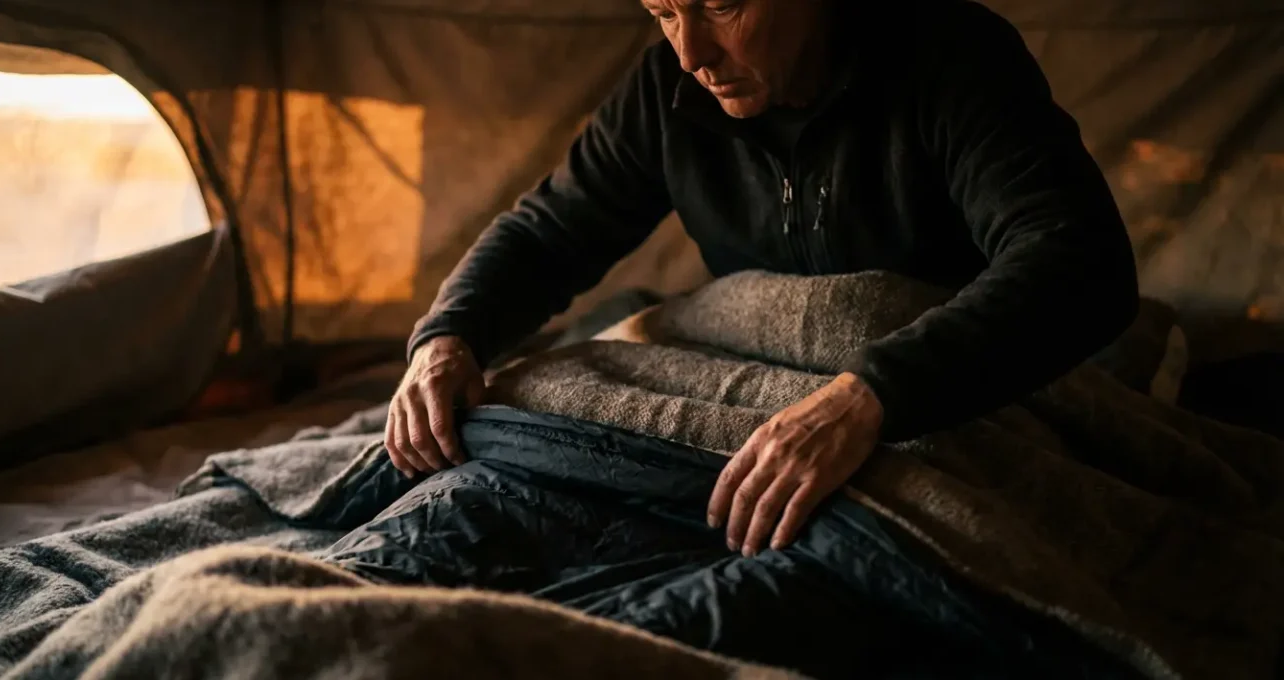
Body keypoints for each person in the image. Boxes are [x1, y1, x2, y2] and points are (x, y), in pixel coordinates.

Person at [386, 0, 1139, 558]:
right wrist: (449, 335)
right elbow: (552, 230)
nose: (691, 53)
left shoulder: (950, 55)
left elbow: (1077, 257)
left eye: (721, 7)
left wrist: (869, 395)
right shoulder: (667, 90)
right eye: (663, 11)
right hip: (756, 395)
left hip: (938, 394)